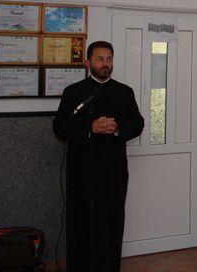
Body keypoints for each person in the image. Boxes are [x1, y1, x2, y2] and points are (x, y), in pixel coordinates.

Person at [53, 41, 144, 272]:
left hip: (113, 171)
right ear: (88, 63)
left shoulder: (124, 92)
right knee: (81, 224)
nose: (105, 64)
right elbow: (60, 128)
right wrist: (90, 128)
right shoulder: (73, 92)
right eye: (100, 59)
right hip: (82, 171)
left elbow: (137, 123)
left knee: (111, 223)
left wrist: (117, 127)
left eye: (109, 59)